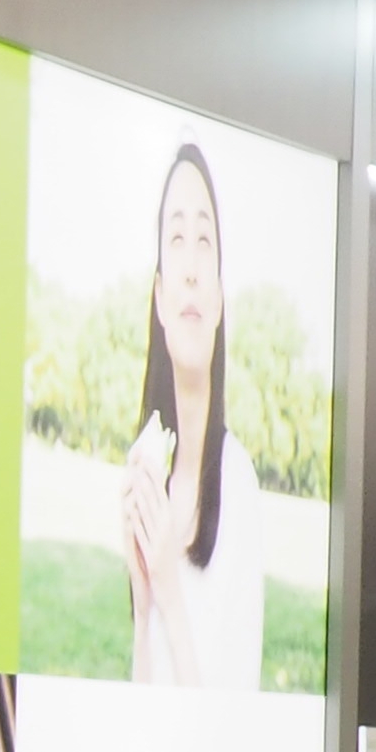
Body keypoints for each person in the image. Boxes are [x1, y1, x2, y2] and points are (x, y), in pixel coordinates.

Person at [116, 142, 269, 692]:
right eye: (176, 239)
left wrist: (169, 591)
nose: (191, 271)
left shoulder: (238, 480)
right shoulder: (147, 472)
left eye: (205, 241)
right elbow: (142, 710)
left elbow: (230, 722)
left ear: (220, 297)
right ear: (159, 296)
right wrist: (142, 604)